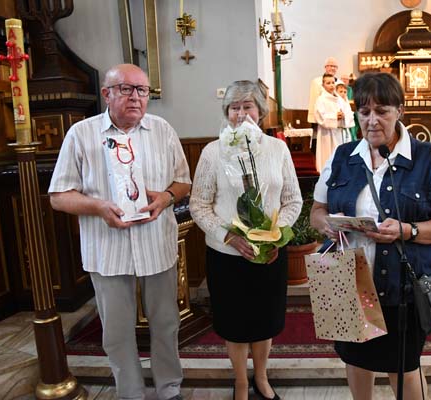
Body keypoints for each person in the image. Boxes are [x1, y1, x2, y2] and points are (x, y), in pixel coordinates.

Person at [310, 72, 431, 400]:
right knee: (355, 359)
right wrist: (327, 225)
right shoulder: (342, 157)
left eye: (381, 111)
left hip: (402, 286)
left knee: (403, 365)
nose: (372, 120)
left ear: (400, 111)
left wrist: (408, 230)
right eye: (364, 112)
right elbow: (317, 211)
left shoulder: (429, 158)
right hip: (347, 280)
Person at [49, 64, 190, 400]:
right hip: (107, 250)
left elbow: (183, 182)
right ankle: (131, 393)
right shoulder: (81, 134)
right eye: (126, 89)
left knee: (166, 323)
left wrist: (166, 197)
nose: (136, 97)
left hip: (156, 245)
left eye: (142, 90)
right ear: (106, 94)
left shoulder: (162, 130)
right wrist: (98, 207)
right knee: (116, 332)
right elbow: (58, 196)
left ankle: (169, 389)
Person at [189, 80, 302, 400]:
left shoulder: (277, 149)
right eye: (233, 107)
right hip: (227, 255)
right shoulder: (213, 152)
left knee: (265, 321)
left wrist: (275, 237)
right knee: (235, 324)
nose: (240, 114)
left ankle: (261, 378)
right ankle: (240, 381)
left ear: (260, 111)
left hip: (269, 253)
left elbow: (293, 200)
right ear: (226, 112)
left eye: (247, 106)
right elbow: (198, 205)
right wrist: (229, 237)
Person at [314, 74, 354, 172]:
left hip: (340, 133)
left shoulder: (340, 99)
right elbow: (320, 117)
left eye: (333, 82)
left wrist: (344, 116)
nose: (331, 85)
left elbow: (349, 113)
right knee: (328, 157)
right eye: (328, 83)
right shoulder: (321, 99)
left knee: (341, 158)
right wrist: (335, 117)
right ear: (323, 85)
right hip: (327, 134)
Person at [307, 56, 338, 124]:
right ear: (325, 67)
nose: (333, 68)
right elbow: (314, 100)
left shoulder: (339, 83)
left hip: (336, 118)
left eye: (335, 66)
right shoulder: (316, 82)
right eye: (330, 66)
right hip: (320, 118)